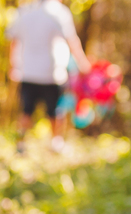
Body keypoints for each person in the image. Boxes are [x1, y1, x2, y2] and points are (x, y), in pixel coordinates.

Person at [7, 0, 92, 152]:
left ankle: (21, 144)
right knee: (55, 111)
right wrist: (83, 63)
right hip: (52, 73)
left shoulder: (23, 12)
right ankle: (55, 143)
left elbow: (14, 40)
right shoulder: (60, 12)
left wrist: (13, 66)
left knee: (27, 110)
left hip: (28, 72)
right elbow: (72, 40)